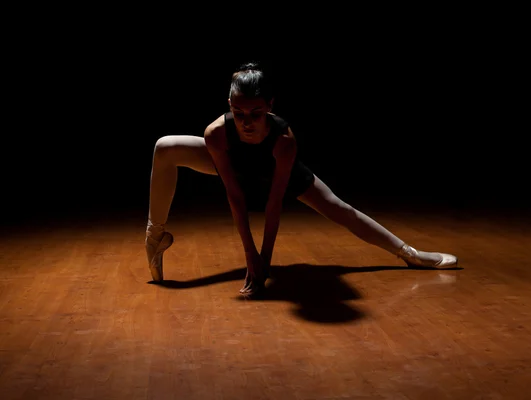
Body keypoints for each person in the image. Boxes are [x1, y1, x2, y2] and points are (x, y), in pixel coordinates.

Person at [145, 61, 458, 295]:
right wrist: (249, 255)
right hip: (234, 163)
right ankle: (154, 235)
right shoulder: (216, 134)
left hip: (276, 171)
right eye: (239, 114)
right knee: (165, 147)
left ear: (270, 106)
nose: (247, 123)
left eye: (255, 113)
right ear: (229, 106)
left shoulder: (284, 140)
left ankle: (410, 254)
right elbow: (236, 197)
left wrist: (264, 262)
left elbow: (274, 204)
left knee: (341, 209)